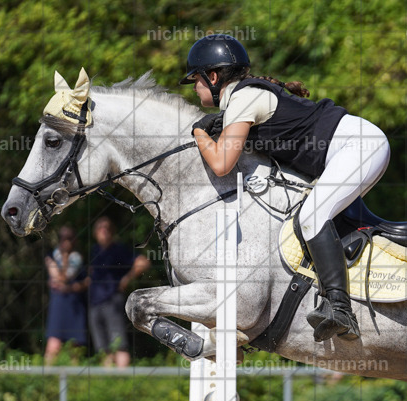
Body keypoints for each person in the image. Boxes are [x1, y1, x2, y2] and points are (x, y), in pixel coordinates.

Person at [181, 34, 390, 342]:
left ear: (212, 77)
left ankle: (340, 309)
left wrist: (199, 130)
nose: (195, 88)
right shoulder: (243, 99)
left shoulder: (243, 98)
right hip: (353, 148)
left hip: (360, 147)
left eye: (195, 80)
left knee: (311, 216)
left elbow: (222, 164)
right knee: (313, 216)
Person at [88, 216, 150, 367]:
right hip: (94, 303)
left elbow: (143, 262)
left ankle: (123, 380)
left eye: (107, 228)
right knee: (103, 348)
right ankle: (109, 384)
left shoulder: (119, 249)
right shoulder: (94, 251)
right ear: (95, 232)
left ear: (112, 231)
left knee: (119, 344)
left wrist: (127, 278)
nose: (103, 231)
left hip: (112, 301)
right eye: (100, 228)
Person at [44, 224, 88, 364]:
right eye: (62, 238)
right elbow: (59, 279)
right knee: (53, 346)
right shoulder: (51, 255)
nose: (65, 241)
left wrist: (64, 259)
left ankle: (75, 384)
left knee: (74, 348)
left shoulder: (77, 258)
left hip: (74, 306)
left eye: (68, 238)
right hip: (58, 305)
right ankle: (46, 382)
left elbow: (62, 278)